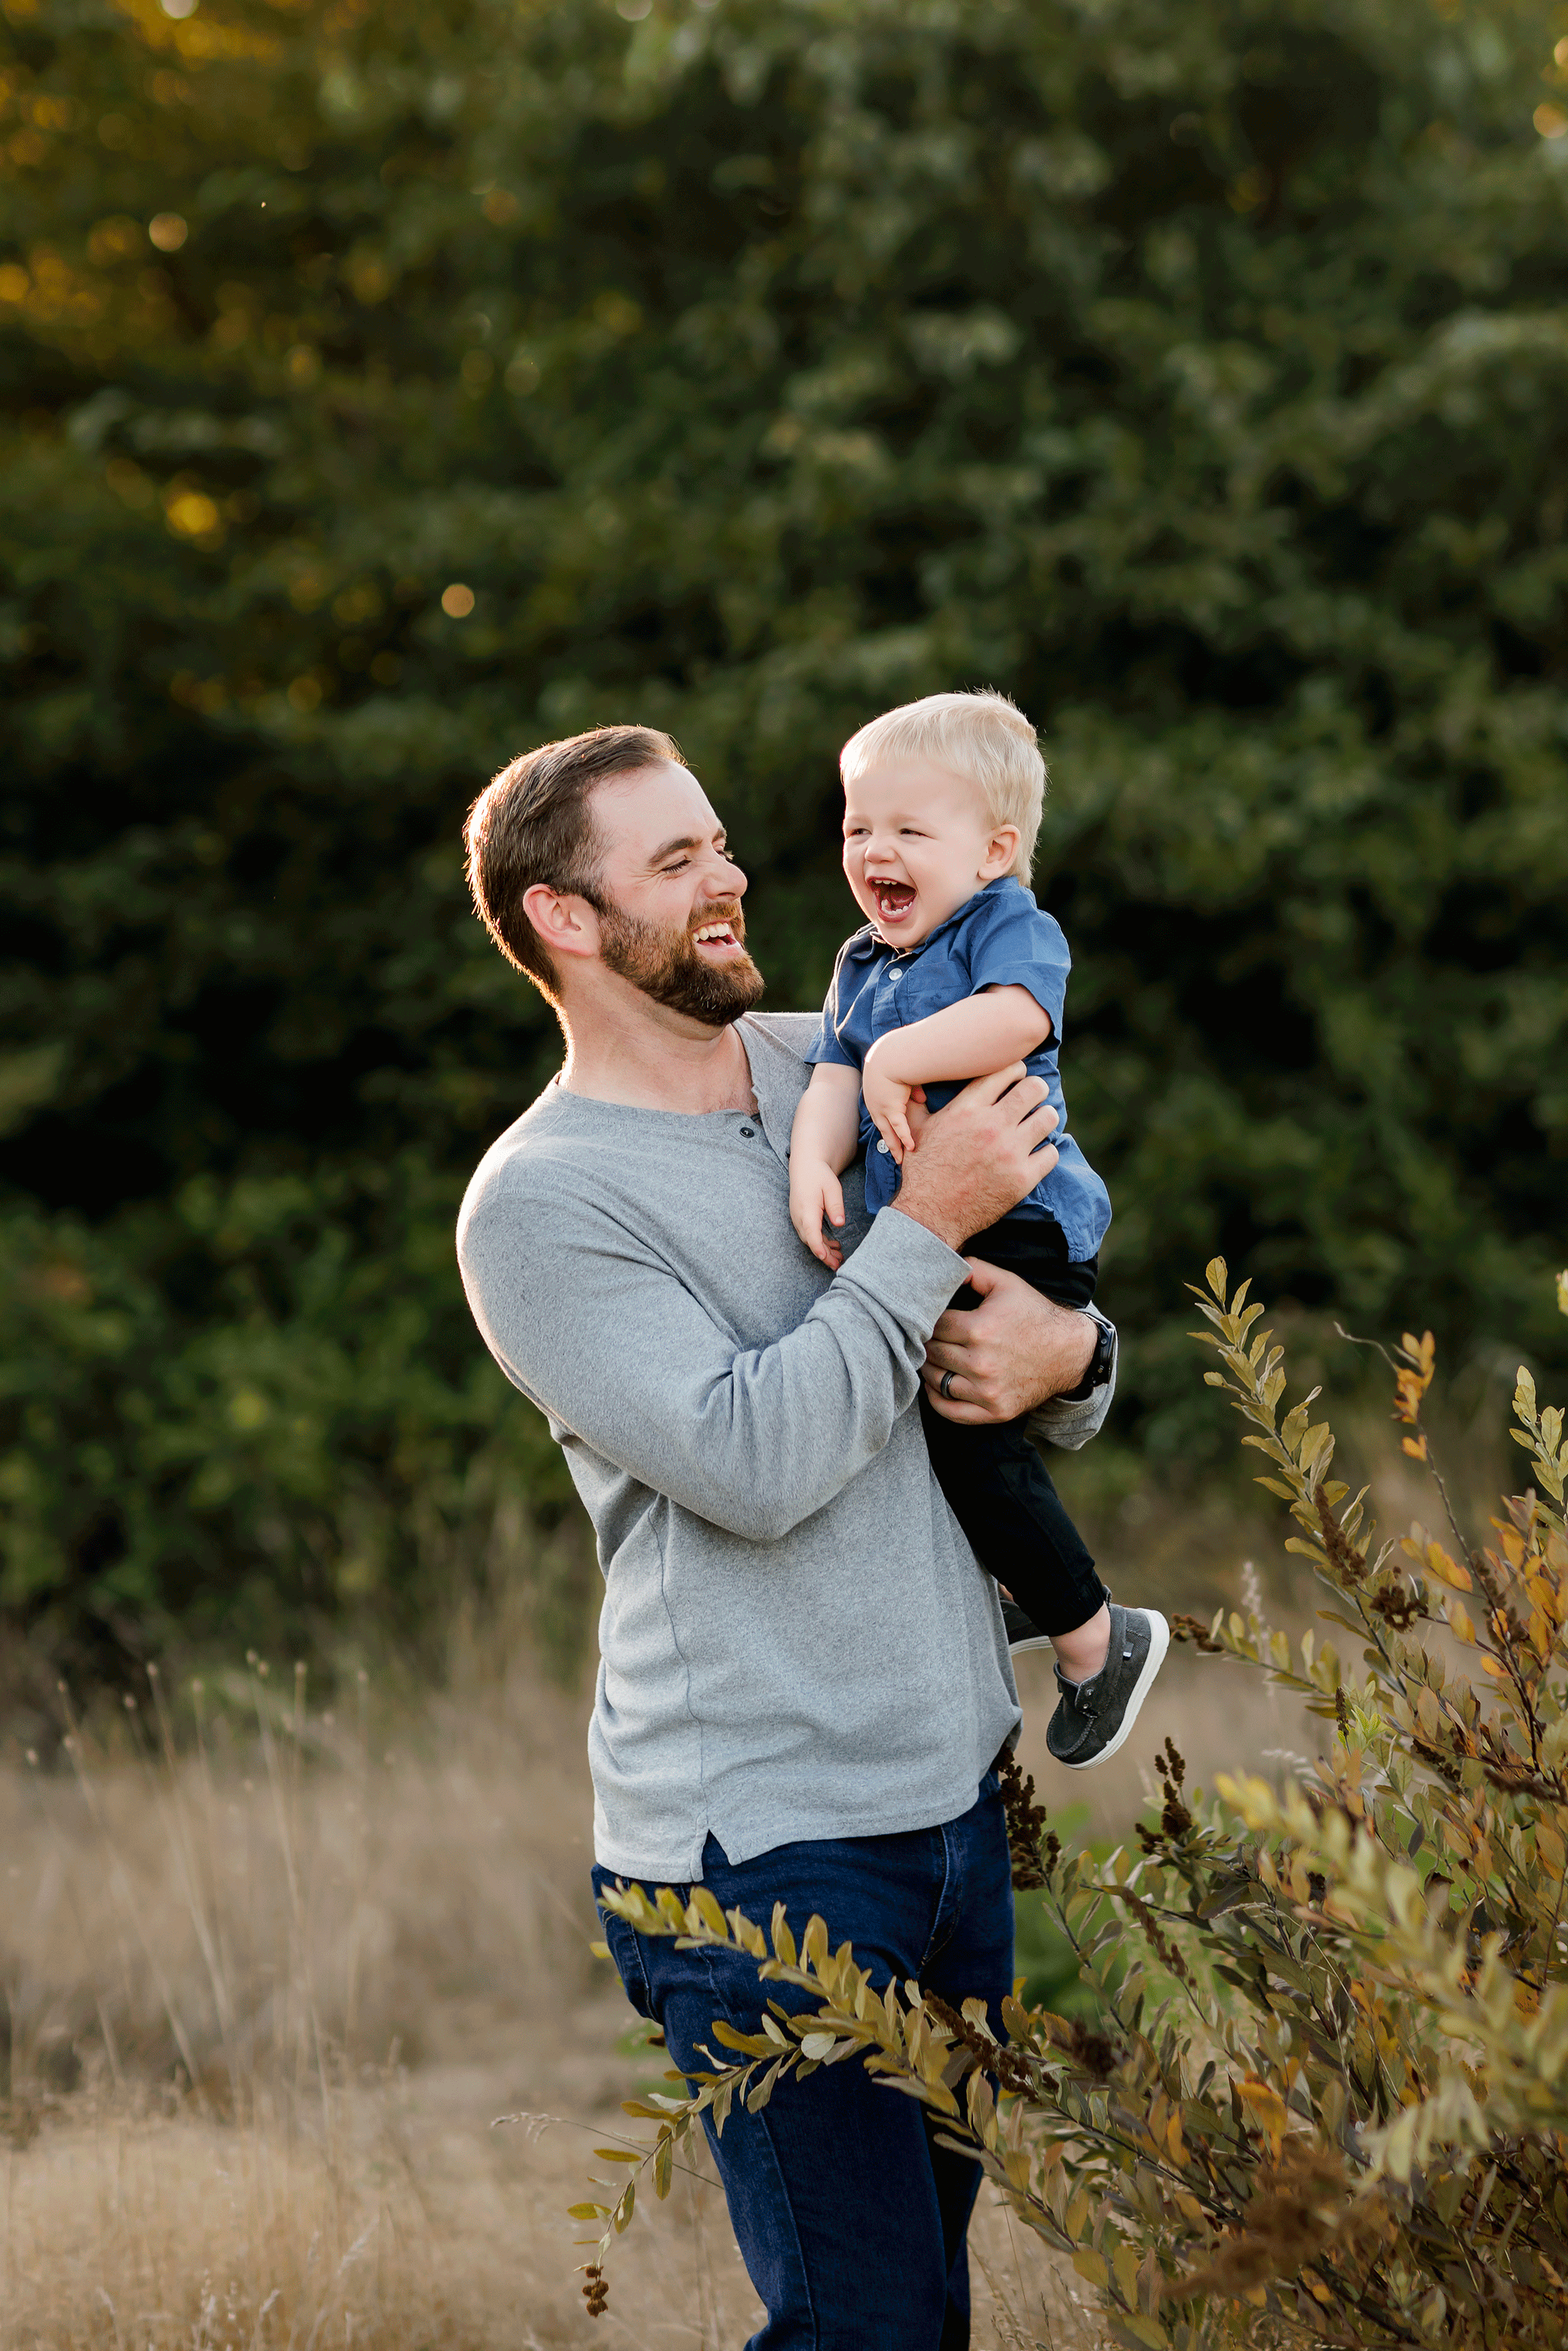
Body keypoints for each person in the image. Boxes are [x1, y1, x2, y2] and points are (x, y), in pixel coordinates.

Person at [455, 723, 1120, 2349]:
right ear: (562, 917)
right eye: (674, 859)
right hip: (761, 1852)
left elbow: (1032, 1323)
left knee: (915, 2314)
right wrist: (921, 1221)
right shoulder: (542, 1203)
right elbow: (757, 1461)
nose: (734, 873)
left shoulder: (851, 1044)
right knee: (869, 2327)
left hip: (954, 1799)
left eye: (722, 842)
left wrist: (1076, 1359)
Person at [789, 690, 1168, 1771]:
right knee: (942, 1418)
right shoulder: (862, 962)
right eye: (860, 827)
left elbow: (1021, 1018)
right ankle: (1018, 1580)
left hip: (1021, 1211)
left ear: (996, 850)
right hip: (935, 1224)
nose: (876, 851)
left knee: (958, 1417)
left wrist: (899, 1060)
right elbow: (830, 1066)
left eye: (911, 829)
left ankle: (1098, 1637)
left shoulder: (1008, 924)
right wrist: (817, 1156)